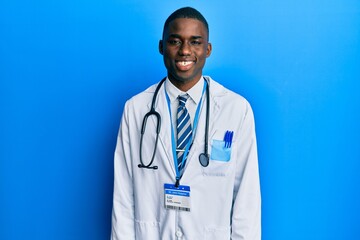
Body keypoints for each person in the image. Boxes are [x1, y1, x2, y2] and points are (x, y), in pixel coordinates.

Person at [111, 7, 261, 240]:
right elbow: (123, 195)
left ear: (208, 49)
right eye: (175, 41)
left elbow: (247, 198)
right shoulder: (136, 109)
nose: (185, 51)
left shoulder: (236, 110)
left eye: (195, 42)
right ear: (161, 47)